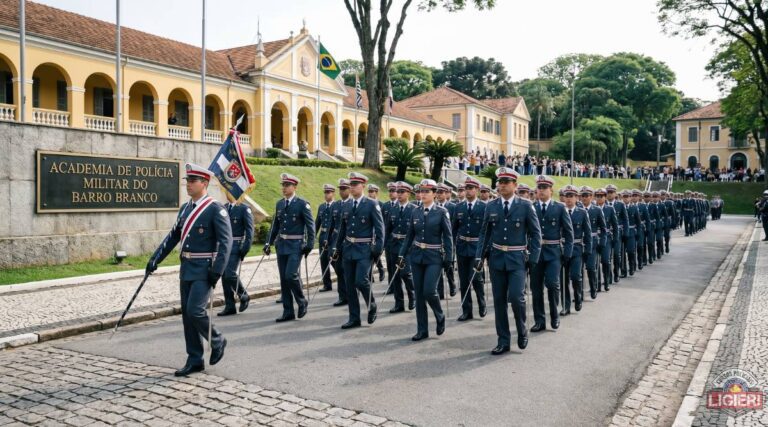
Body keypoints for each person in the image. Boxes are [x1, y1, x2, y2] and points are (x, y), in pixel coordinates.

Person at [146, 163, 231, 376]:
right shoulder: (186, 209)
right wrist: (155, 258)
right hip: (186, 267)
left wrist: (218, 270)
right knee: (187, 315)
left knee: (195, 310)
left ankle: (217, 339)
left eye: (193, 181)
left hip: (205, 269)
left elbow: (226, 241)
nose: (188, 185)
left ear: (205, 183)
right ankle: (195, 359)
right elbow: (174, 236)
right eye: (187, 181)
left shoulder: (215, 208)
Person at [477, 167, 541, 353]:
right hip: (497, 258)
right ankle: (503, 340)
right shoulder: (492, 205)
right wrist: (478, 256)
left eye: (506, 182)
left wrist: (534, 257)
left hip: (517, 259)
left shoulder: (525, 205)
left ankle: (522, 331)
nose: (502, 186)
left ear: (515, 185)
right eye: (500, 182)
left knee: (516, 297)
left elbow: (536, 234)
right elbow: (484, 233)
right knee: (499, 301)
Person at [397, 179, 452, 341]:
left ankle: (439, 314)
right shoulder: (415, 211)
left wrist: (449, 257)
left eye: (427, 191)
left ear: (434, 194)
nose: (423, 194)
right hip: (416, 257)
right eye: (421, 191)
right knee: (419, 294)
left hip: (434, 257)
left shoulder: (441, 212)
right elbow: (409, 236)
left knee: (429, 291)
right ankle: (422, 330)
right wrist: (402, 254)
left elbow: (448, 237)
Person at [331, 172, 384, 329]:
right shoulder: (346, 205)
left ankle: (371, 304)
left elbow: (380, 229)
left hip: (364, 249)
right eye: (351, 185)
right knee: (349, 285)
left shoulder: (371, 204)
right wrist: (337, 247)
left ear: (363, 186)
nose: (352, 187)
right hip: (348, 249)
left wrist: (378, 249)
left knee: (361, 280)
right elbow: (342, 229)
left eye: (355, 184)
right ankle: (354, 318)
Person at [264, 173, 314, 322]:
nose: (284, 188)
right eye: (283, 185)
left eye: (287, 185)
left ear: (294, 187)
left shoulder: (302, 204)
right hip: (282, 246)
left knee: (290, 275)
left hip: (296, 245)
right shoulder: (280, 204)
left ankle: (301, 300)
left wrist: (310, 244)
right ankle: (288, 311)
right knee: (284, 280)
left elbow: (310, 226)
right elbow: (275, 226)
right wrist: (268, 242)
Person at [531, 175, 573, 332]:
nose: (541, 191)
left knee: (552, 284)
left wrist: (567, 252)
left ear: (551, 190)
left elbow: (569, 233)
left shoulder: (559, 207)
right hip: (535, 253)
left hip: (553, 252)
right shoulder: (531, 207)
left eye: (544, 188)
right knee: (536, 288)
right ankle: (539, 320)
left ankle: (554, 315)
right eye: (539, 188)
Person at [453, 176, 487, 321]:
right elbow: (454, 228)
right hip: (462, 247)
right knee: (463, 279)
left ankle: (481, 302)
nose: (468, 191)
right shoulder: (459, 207)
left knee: (476, 277)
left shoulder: (484, 207)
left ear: (477, 190)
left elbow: (486, 230)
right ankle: (467, 310)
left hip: (476, 247)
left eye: (471, 188)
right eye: (466, 188)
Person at [217, 193, 253, 316]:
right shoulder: (223, 208)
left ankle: (243, 295)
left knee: (230, 273)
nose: (227, 193)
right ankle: (230, 305)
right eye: (226, 191)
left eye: (230, 191)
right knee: (223, 275)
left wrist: (245, 249)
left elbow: (250, 231)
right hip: (223, 246)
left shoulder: (244, 208)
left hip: (236, 245)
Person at [385, 181, 416, 312]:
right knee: (395, 275)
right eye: (397, 192)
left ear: (408, 193)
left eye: (402, 192)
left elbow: (417, 231)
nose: (399, 194)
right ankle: (399, 303)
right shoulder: (393, 208)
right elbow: (388, 228)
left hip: (408, 246)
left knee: (405, 273)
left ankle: (412, 294)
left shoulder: (414, 209)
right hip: (394, 245)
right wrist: (384, 244)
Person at [560, 185, 591, 315]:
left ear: (576, 198)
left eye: (571, 196)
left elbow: (588, 233)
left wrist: (588, 250)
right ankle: (565, 306)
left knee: (575, 276)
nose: (568, 199)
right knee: (563, 279)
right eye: (566, 196)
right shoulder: (559, 210)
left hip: (577, 249)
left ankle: (578, 298)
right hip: (562, 249)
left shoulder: (582, 212)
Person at [326, 179, 352, 306]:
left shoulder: (353, 203)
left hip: (348, 241)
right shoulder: (335, 205)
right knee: (338, 268)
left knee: (345, 268)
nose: (342, 191)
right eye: (340, 189)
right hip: (336, 241)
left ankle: (348, 294)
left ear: (349, 189)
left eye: (344, 188)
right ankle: (343, 295)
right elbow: (330, 224)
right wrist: (327, 239)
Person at [581, 187, 606, 298]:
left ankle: (593, 287)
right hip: (579, 243)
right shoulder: (577, 209)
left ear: (591, 197)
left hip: (592, 242)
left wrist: (602, 243)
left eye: (587, 195)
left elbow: (604, 228)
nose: (585, 198)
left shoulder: (597, 210)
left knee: (591, 267)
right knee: (579, 270)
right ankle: (579, 294)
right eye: (583, 196)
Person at [436, 183, 457, 298]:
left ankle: (452, 284)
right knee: (438, 266)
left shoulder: (452, 207)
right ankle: (440, 292)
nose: (439, 195)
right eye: (437, 193)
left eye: (441, 193)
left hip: (449, 240)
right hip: (437, 241)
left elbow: (454, 225)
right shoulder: (434, 206)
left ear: (446, 194)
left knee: (449, 265)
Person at [594, 188, 616, 292]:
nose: (599, 198)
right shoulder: (592, 209)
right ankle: (597, 284)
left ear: (605, 197)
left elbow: (615, 226)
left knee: (605, 261)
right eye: (597, 196)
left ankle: (606, 281)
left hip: (606, 237)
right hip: (594, 237)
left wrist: (615, 239)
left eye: (601, 196)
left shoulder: (610, 209)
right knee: (595, 263)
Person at [316, 184, 336, 293]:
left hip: (333, 237)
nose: (326, 194)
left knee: (334, 260)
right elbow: (317, 222)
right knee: (323, 261)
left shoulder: (337, 206)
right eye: (325, 192)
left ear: (333, 193)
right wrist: (312, 235)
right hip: (323, 236)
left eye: (328, 192)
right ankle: (327, 284)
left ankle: (344, 280)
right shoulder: (322, 207)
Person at [606, 184, 629, 281]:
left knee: (616, 254)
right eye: (608, 192)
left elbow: (625, 219)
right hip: (607, 234)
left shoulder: (620, 205)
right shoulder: (603, 205)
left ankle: (616, 273)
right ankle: (609, 276)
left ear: (615, 193)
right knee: (607, 256)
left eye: (612, 192)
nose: (610, 194)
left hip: (617, 233)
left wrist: (625, 233)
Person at [367, 184, 387, 283]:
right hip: (369, 232)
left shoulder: (381, 205)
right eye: (369, 192)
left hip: (377, 232)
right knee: (368, 253)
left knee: (375, 252)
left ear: (376, 193)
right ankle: (370, 275)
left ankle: (380, 268)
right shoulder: (366, 203)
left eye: (372, 192)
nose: (370, 194)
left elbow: (381, 222)